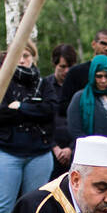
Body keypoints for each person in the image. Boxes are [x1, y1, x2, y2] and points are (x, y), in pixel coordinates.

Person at [0, 41, 57, 213]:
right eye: (18, 55)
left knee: (36, 212)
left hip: (39, 154)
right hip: (8, 153)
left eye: (26, 55)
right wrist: (33, 110)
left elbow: (50, 110)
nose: (22, 59)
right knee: (0, 211)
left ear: (33, 57)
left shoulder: (44, 84)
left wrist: (21, 107)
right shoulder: (2, 83)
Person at [67, 54, 107, 144]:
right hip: (89, 153)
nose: (103, 80)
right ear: (92, 75)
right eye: (99, 76)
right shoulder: (80, 98)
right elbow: (75, 130)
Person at [43, 43, 78, 176]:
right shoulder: (44, 87)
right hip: (49, 149)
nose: (67, 71)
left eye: (70, 67)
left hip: (75, 150)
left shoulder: (80, 89)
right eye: (62, 67)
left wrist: (71, 148)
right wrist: (55, 147)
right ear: (54, 64)